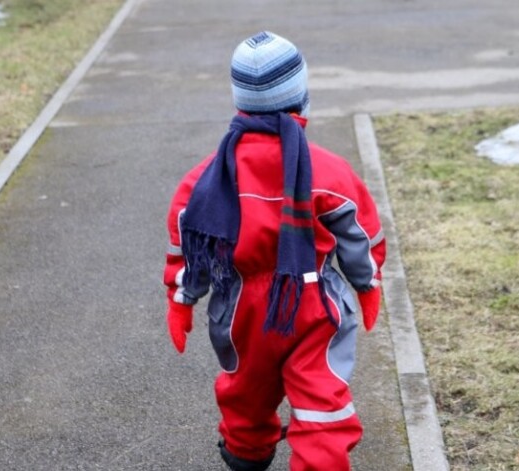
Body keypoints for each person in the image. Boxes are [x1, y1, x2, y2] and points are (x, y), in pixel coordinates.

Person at [163, 31, 386, 471]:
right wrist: (367, 281)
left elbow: (190, 243)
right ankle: (319, 460)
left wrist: (183, 297)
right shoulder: (327, 170)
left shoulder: (206, 178)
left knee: (246, 389)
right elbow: (360, 232)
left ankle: (247, 453)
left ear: (239, 103)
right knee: (322, 397)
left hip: (238, 308)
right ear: (300, 97)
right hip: (312, 303)